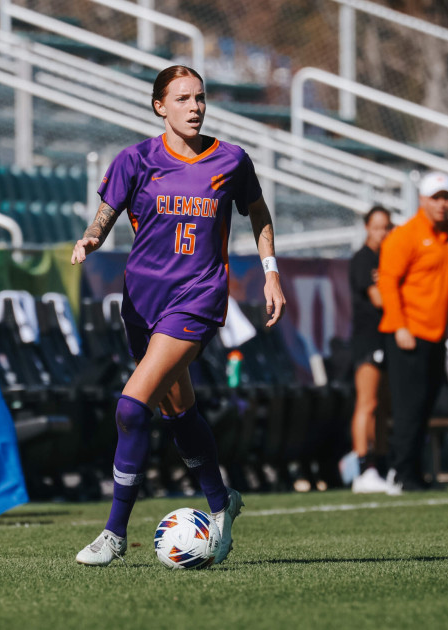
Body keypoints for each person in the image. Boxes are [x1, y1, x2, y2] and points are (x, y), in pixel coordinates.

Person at [70, 65, 285, 566]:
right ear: (159, 106)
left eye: (201, 97)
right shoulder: (135, 159)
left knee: (130, 406)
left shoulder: (231, 159)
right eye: (183, 98)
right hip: (142, 303)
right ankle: (220, 501)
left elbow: (258, 212)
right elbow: (106, 213)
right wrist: (91, 238)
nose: (195, 107)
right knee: (177, 410)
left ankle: (115, 534)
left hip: (198, 296)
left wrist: (271, 272)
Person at [377, 171, 448, 493]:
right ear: (423, 200)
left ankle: (414, 472)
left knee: (426, 406)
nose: (442, 204)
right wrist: (399, 326)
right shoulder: (406, 235)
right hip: (408, 333)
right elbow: (388, 281)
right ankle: (400, 474)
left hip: (437, 335)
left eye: (447, 198)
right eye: (436, 198)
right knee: (407, 408)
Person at [341, 206, 393, 493]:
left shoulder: (388, 257)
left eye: (386, 227)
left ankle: (382, 464)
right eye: (377, 227)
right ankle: (363, 466)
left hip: (386, 339)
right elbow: (380, 299)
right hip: (368, 339)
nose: (382, 233)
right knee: (367, 403)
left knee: (383, 407)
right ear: (367, 228)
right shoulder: (364, 260)